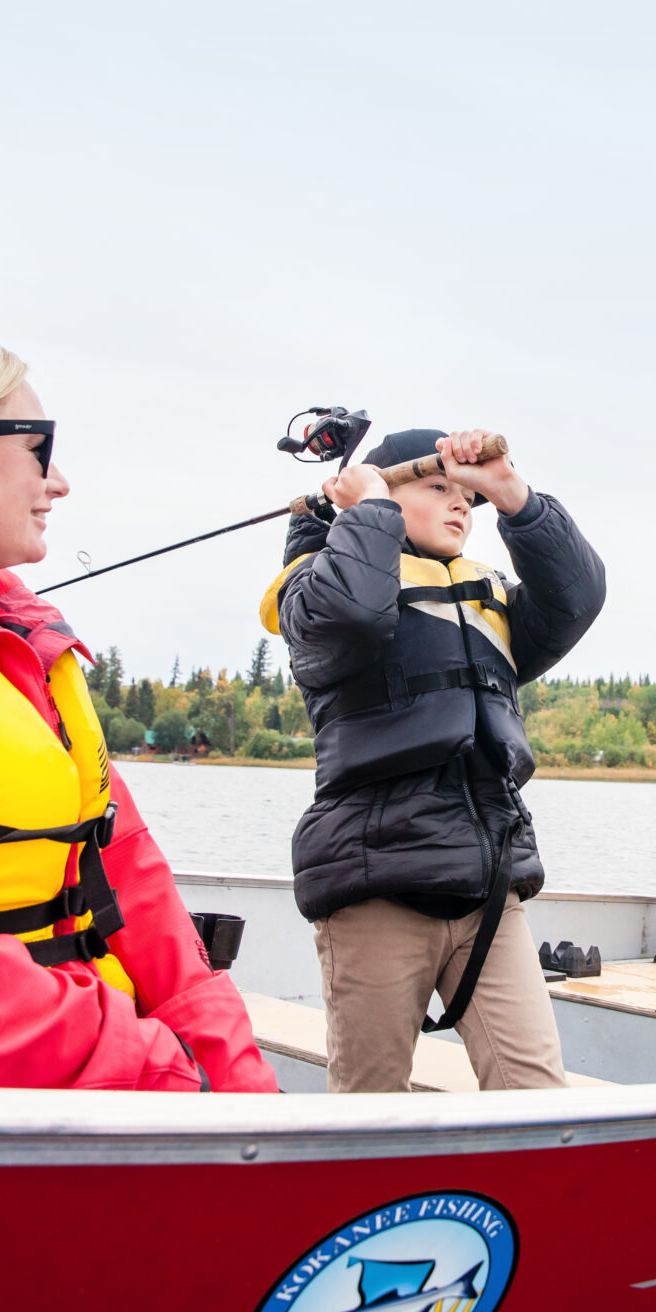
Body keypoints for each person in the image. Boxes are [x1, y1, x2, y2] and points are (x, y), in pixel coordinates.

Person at [0, 322, 277, 1093]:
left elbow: (137, 890)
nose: (60, 481)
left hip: (102, 1089)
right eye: (38, 447)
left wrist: (234, 1085)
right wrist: (170, 1079)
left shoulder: (24, 655)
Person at [262, 426, 605, 1094]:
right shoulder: (317, 588)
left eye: (467, 497)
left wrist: (509, 492)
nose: (460, 506)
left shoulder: (490, 600)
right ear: (381, 493)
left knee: (535, 1095)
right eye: (439, 488)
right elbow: (355, 613)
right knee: (371, 1100)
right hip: (376, 882)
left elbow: (577, 597)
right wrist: (365, 514)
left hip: (489, 886)